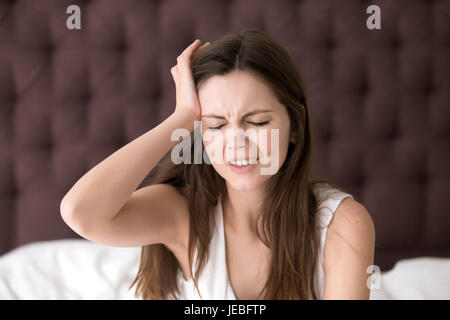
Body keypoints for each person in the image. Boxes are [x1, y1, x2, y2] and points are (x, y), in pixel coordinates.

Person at [60, 28, 375, 300]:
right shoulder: (183, 215)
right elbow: (80, 212)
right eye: (216, 125)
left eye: (258, 122)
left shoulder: (341, 224)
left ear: (294, 126)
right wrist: (180, 120)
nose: (236, 141)